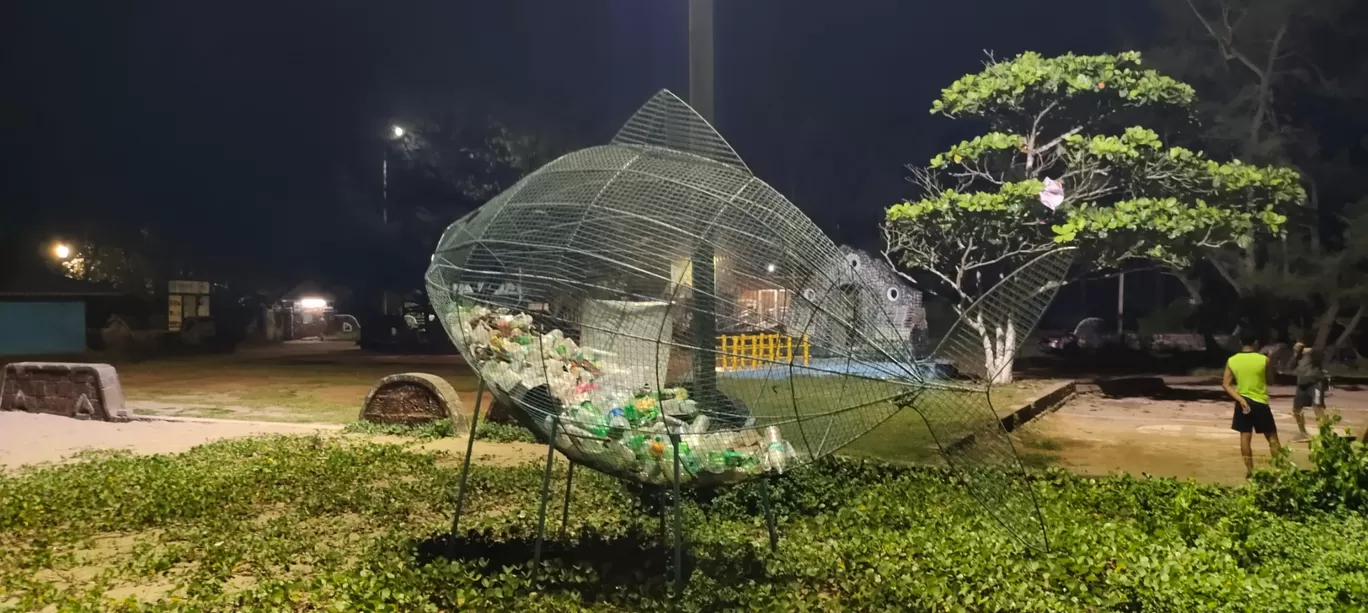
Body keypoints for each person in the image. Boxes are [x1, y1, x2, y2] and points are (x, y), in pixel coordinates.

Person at [1223, 330, 1282, 477]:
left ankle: (1250, 471)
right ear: (1256, 342)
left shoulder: (1232, 360)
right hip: (1260, 402)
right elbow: (1271, 380)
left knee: (1245, 437)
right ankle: (1280, 469)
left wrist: (1241, 399)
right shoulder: (1263, 360)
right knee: (1272, 438)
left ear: (1240, 343)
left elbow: (1226, 384)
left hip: (1242, 401)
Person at [1287, 341, 1328, 441]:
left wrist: (1310, 351)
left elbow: (1319, 357)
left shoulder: (1313, 353)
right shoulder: (1298, 356)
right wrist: (1296, 354)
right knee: (1296, 409)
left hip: (1315, 382)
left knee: (1317, 407)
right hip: (1302, 384)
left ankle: (1326, 434)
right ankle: (1303, 432)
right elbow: (1290, 366)